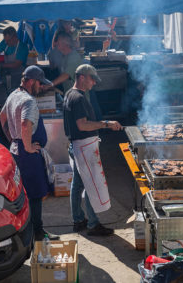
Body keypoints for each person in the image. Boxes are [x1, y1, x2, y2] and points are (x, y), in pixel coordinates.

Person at [0, 65, 59, 241]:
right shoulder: (28, 101)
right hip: (28, 155)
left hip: (16, 151)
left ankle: (27, 232)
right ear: (31, 81)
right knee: (35, 195)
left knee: (24, 195)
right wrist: (27, 146)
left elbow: (3, 116)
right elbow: (25, 124)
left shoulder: (13, 95)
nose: (40, 87)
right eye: (39, 84)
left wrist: (12, 139)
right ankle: (37, 233)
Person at [63, 64, 122, 236]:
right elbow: (82, 125)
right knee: (91, 184)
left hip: (76, 146)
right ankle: (93, 224)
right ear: (82, 77)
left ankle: (78, 220)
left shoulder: (69, 93)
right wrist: (106, 124)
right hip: (83, 146)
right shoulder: (79, 98)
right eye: (92, 79)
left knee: (78, 183)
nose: (94, 83)